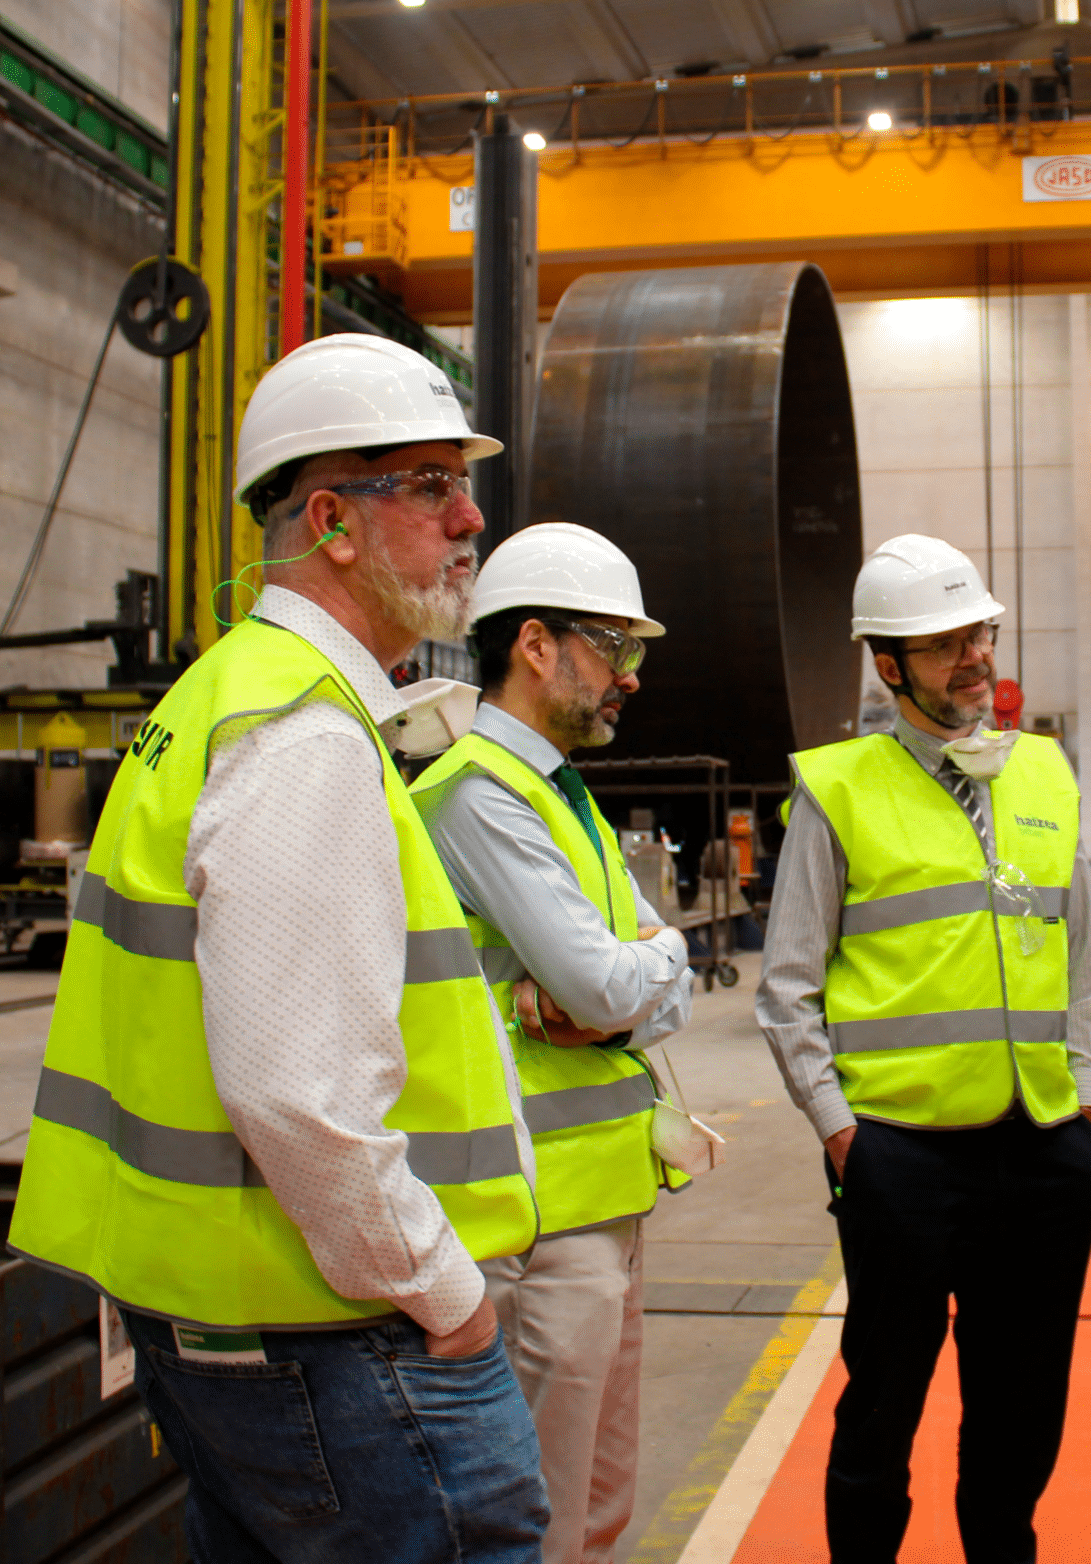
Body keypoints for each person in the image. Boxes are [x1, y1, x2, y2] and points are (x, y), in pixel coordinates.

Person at [9, 333, 546, 1564]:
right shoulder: (302, 731)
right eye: (428, 483)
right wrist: (448, 1303)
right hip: (345, 1339)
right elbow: (298, 1095)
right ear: (331, 521)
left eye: (464, 485)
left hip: (237, 1325)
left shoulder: (223, 694)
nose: (469, 517)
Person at [755, 533, 1091, 1564]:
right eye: (944, 641)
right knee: (884, 1406)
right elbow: (787, 988)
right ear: (887, 663)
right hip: (899, 1157)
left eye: (979, 633)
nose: (972, 656)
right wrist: (840, 1133)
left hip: (1043, 1151)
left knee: (1021, 1408)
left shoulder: (1044, 774)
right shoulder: (838, 789)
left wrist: (1081, 1097)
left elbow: (1080, 959)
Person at [413, 521, 694, 1564]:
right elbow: (611, 977)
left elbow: (648, 981)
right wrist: (636, 974)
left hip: (600, 1201)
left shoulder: (554, 793)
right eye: (614, 649)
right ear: (536, 645)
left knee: (596, 1510)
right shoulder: (478, 794)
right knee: (534, 1523)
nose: (628, 678)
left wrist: (638, 977)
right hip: (535, 1222)